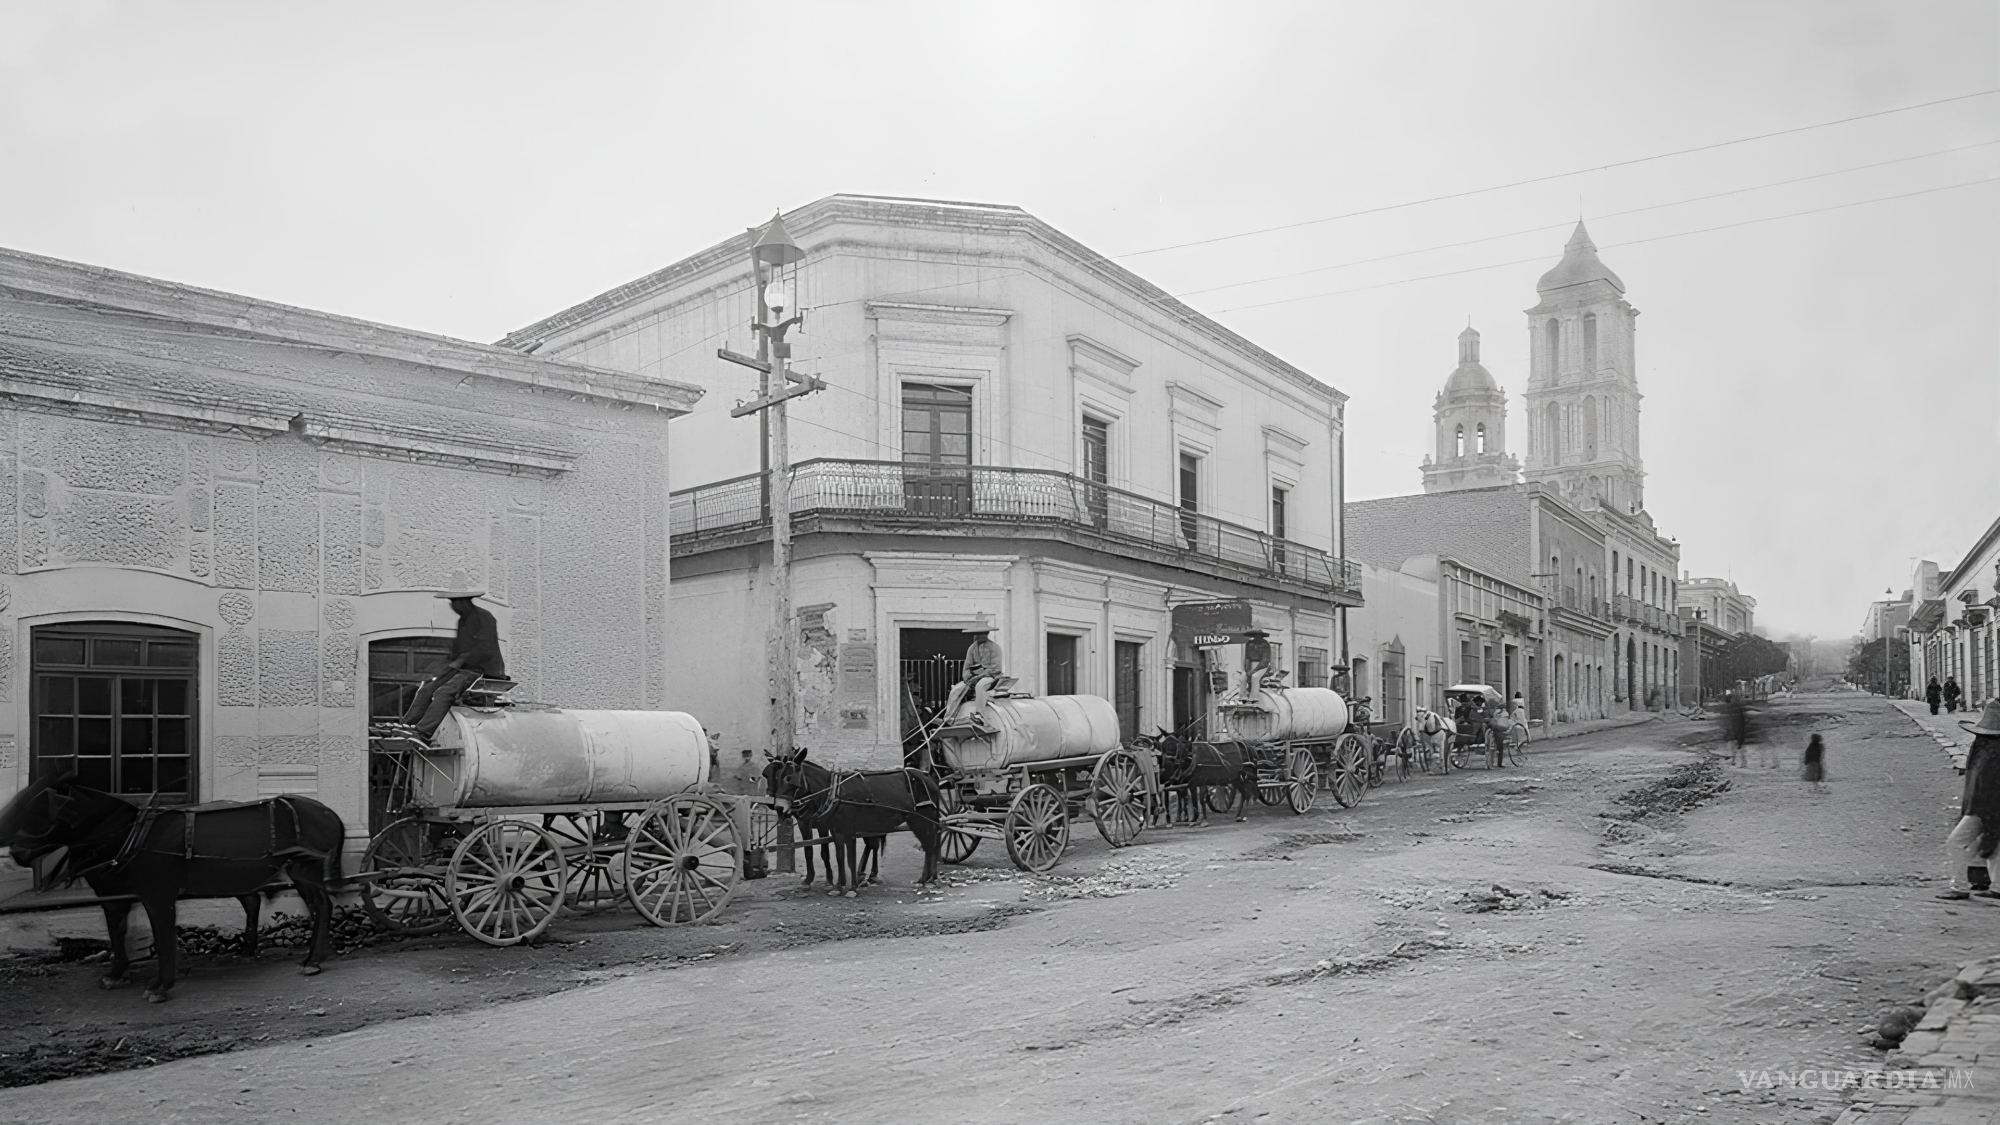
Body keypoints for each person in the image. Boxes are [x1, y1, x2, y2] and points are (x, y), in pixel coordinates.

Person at [397, 590, 506, 740]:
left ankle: (423, 732)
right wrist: (441, 666)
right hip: (463, 667)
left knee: (444, 692)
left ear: (463, 602)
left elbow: (484, 648)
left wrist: (457, 663)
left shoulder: (484, 617)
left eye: (454, 602)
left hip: (484, 670)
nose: (452, 606)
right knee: (426, 690)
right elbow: (457, 651)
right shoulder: (463, 621)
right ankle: (407, 726)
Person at [1938, 700, 2000, 901]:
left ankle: (1959, 887)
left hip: (1984, 808)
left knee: (1956, 843)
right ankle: (1997, 888)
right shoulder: (1987, 749)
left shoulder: (1988, 751)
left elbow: (1984, 786)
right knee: (1995, 847)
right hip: (1989, 808)